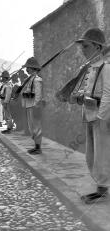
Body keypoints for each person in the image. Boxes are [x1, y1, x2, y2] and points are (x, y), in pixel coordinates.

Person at [67, 28, 110, 204]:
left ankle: (102, 188)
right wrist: (79, 96)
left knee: (101, 154)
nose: (82, 49)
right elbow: (90, 90)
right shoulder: (91, 68)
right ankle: (100, 185)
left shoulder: (106, 67)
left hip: (101, 116)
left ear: (98, 47)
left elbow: (108, 94)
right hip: (89, 114)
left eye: (86, 46)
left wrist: (102, 118)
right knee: (91, 155)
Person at [20, 57, 43, 155]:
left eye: (28, 67)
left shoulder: (37, 80)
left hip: (33, 105)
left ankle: (38, 147)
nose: (26, 69)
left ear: (32, 68)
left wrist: (36, 106)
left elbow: (38, 94)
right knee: (32, 127)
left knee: (36, 127)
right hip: (29, 104)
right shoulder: (30, 79)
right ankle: (36, 145)